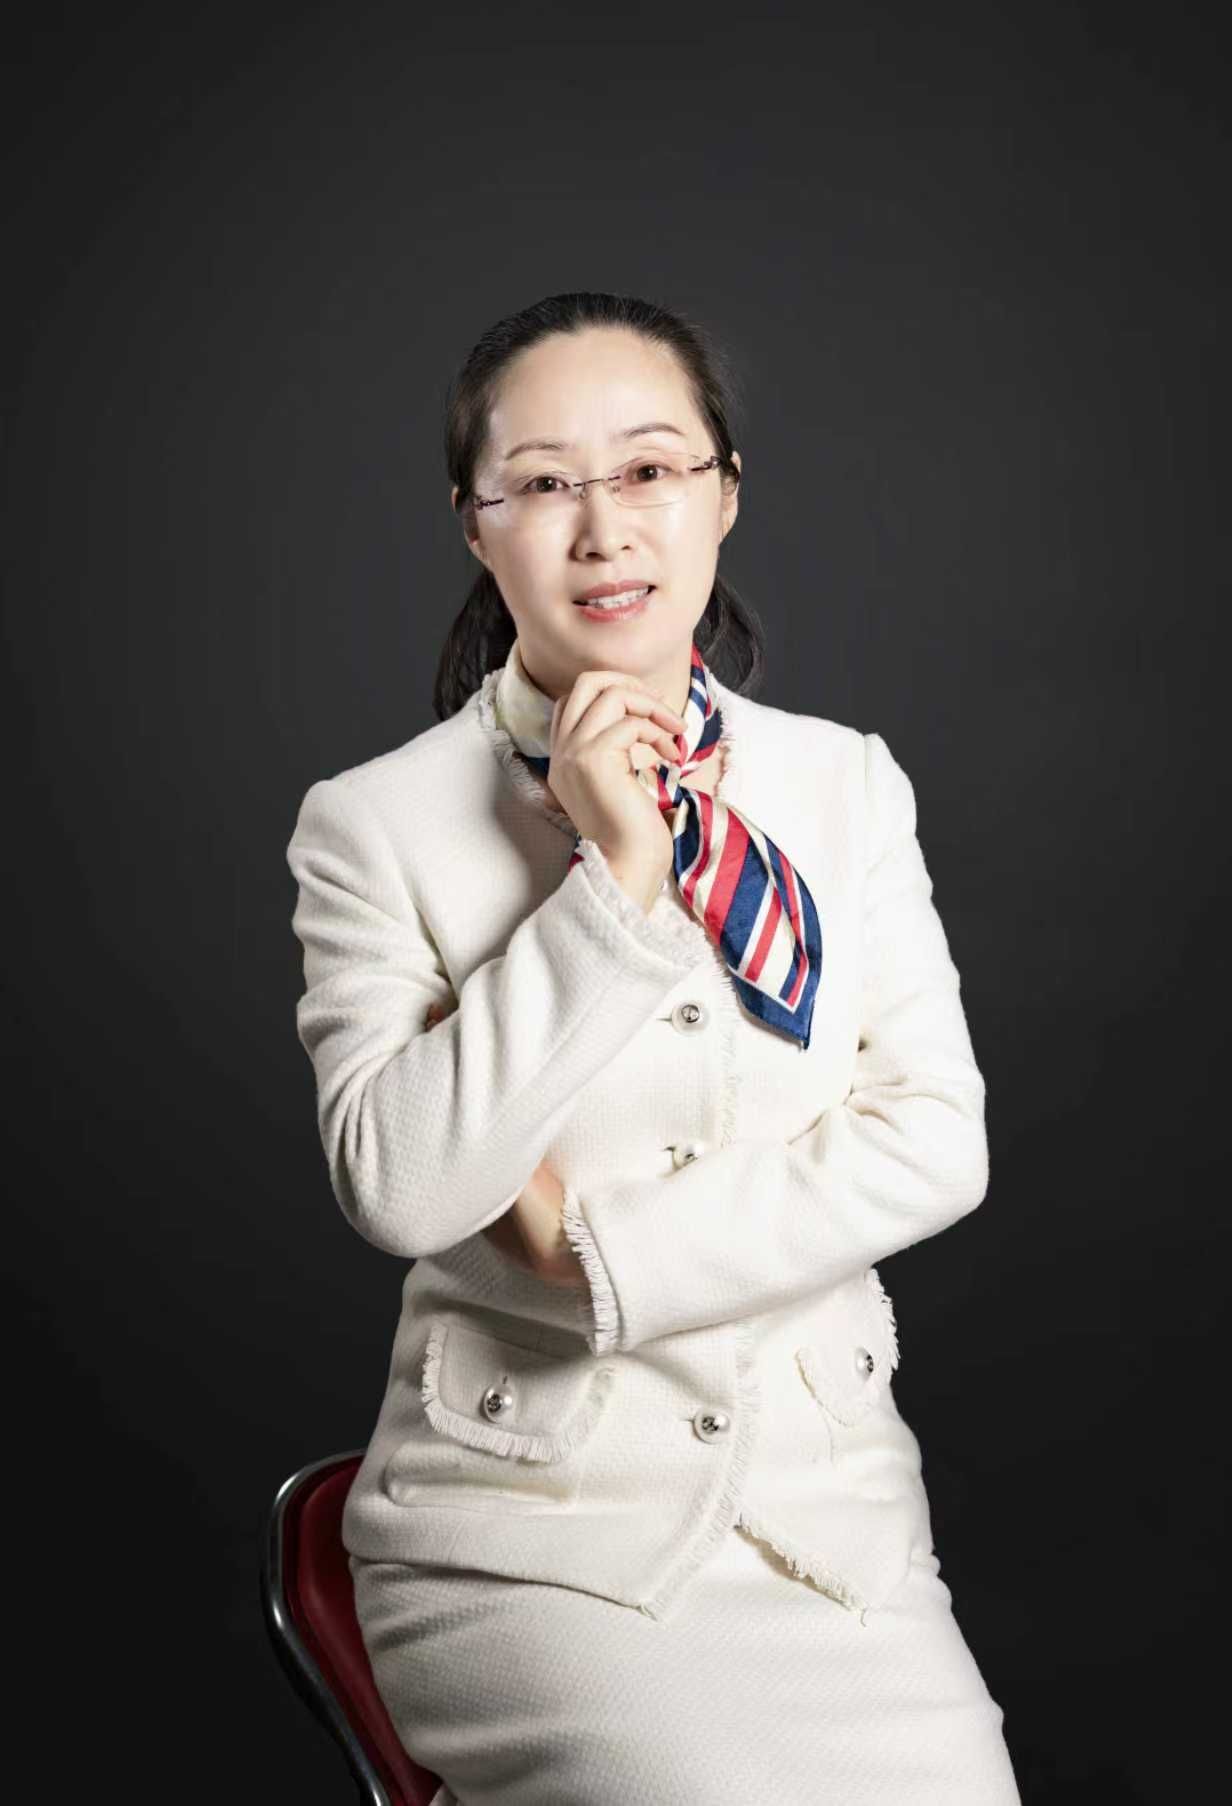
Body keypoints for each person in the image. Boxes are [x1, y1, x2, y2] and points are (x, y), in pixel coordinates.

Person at [285, 290, 1022, 1804]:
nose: (605, 527)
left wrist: (592, 1257)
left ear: (724, 494)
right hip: (527, 1542)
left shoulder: (843, 785)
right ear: (476, 525)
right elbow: (406, 1187)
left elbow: (937, 1141)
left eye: (649, 469)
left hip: (834, 1533)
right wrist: (616, 876)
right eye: (544, 483)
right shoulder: (374, 825)